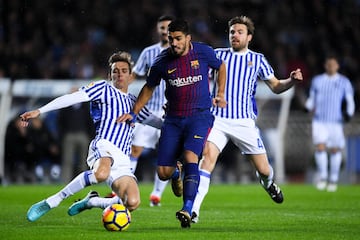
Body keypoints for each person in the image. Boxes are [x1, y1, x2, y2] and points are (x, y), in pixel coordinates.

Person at [21, 51, 162, 222]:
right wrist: (40, 110)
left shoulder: (135, 103)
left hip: (123, 159)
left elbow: (158, 123)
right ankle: (53, 201)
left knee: (132, 202)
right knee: (101, 173)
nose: (119, 74)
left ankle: (92, 201)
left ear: (131, 76)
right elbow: (72, 98)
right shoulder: (102, 88)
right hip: (104, 145)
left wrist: (180, 121)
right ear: (110, 75)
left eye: (124, 71)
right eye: (115, 71)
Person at [191, 16, 304, 223]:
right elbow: (199, 79)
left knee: (263, 169)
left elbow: (276, 86)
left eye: (239, 32)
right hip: (217, 119)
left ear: (249, 37)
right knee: (206, 160)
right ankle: (194, 211)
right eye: (232, 31)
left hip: (244, 122)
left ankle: (269, 184)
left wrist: (291, 80)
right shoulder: (217, 55)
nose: (234, 35)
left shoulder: (258, 59)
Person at [118, 19, 226, 228]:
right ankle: (175, 173)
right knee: (163, 173)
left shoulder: (203, 52)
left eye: (178, 39)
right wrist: (133, 112)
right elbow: (148, 88)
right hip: (173, 120)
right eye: (171, 39)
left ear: (188, 38)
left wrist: (220, 92)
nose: (174, 43)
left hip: (199, 117)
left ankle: (187, 209)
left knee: (190, 155)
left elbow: (220, 66)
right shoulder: (162, 61)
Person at [130, 15, 174, 207]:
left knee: (165, 155)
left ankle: (156, 194)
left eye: (168, 28)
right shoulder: (148, 52)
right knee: (135, 149)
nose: (164, 31)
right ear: (158, 30)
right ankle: (126, 188)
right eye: (162, 27)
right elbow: (135, 74)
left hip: (170, 113)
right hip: (148, 112)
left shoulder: (180, 52)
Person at [305, 55, 355, 192]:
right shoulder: (318, 81)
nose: (331, 67)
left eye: (333, 64)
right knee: (320, 147)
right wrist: (308, 106)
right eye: (328, 64)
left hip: (335, 121)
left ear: (337, 66)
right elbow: (312, 98)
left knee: (334, 149)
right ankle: (323, 177)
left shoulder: (344, 82)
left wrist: (349, 113)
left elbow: (350, 99)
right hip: (319, 120)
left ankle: (333, 179)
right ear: (325, 66)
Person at [57, 88, 94, 183]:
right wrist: (62, 136)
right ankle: (65, 182)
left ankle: (85, 181)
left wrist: (90, 136)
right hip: (69, 135)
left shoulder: (85, 106)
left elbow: (90, 122)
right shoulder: (65, 107)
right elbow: (60, 123)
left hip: (83, 135)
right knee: (67, 160)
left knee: (84, 160)